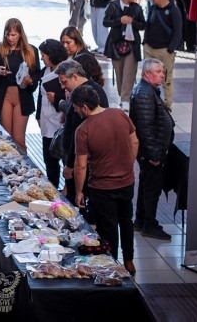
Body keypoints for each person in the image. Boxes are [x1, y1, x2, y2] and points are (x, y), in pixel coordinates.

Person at [72, 85, 138, 274]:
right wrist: (127, 163)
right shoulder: (119, 114)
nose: (76, 112)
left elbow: (81, 165)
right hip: (127, 182)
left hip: (102, 188)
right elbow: (134, 141)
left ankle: (112, 265)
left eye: (76, 108)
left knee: (107, 228)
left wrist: (78, 191)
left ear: (84, 107)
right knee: (126, 221)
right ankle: (129, 260)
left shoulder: (83, 130)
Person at [130, 58, 175, 241]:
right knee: (151, 188)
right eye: (158, 72)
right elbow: (145, 127)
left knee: (147, 186)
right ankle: (149, 223)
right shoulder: (143, 94)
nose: (163, 75)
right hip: (151, 153)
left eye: (162, 71)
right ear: (147, 74)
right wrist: (155, 154)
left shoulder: (148, 91)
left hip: (151, 151)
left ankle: (141, 220)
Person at [55, 60, 108, 207]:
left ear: (75, 77)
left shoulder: (85, 94)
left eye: (64, 82)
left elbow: (78, 136)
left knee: (78, 201)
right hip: (81, 161)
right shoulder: (90, 90)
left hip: (84, 163)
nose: (63, 86)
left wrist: (70, 164)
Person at [0, 18, 40, 153]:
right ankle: (8, 165)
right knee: (7, 137)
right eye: (7, 34)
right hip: (5, 94)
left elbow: (37, 74)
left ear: (20, 35)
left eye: (13, 35)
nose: (10, 38)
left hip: (22, 97)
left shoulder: (31, 51)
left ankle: (24, 168)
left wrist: (30, 80)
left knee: (19, 138)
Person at [104, 0, 146, 112]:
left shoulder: (137, 8)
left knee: (129, 72)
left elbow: (143, 25)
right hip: (116, 44)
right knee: (119, 73)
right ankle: (123, 97)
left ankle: (126, 99)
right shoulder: (113, 6)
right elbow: (105, 22)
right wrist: (119, 21)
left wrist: (133, 22)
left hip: (132, 45)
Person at [144, 0, 182, 110]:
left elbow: (178, 32)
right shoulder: (153, 8)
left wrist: (170, 49)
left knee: (165, 78)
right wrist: (145, 42)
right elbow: (148, 25)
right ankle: (149, 101)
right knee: (148, 76)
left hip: (164, 50)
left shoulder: (173, 10)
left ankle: (167, 104)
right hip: (150, 48)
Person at [36, 39, 68, 187]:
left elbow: (71, 97)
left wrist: (57, 99)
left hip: (59, 121)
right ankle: (52, 187)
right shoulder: (45, 71)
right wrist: (37, 116)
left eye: (43, 54)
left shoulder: (66, 70)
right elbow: (40, 96)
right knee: (49, 158)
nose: (42, 57)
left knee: (64, 157)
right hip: (46, 120)